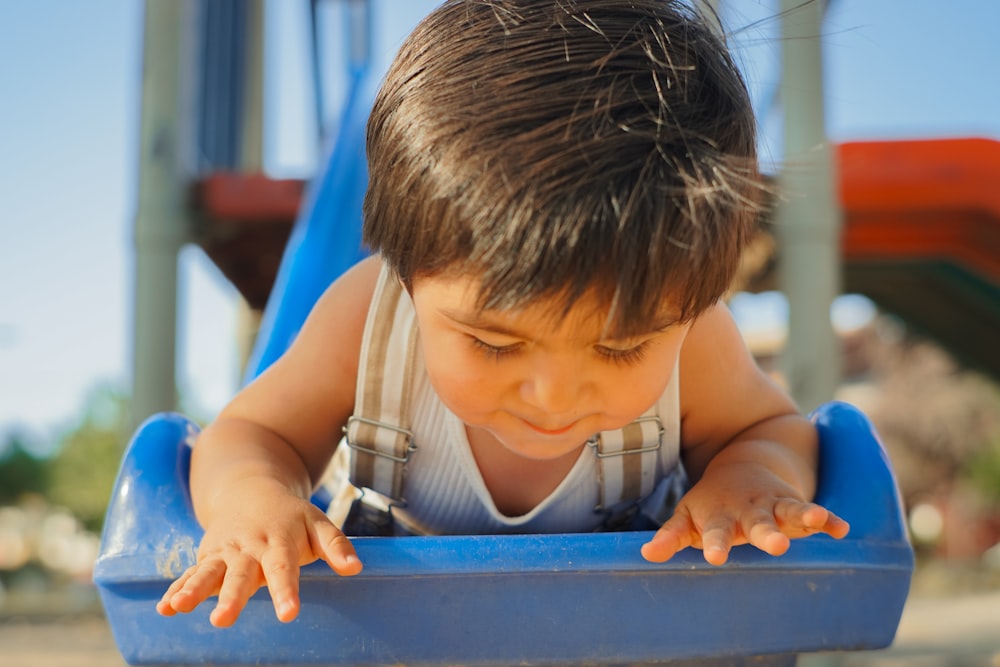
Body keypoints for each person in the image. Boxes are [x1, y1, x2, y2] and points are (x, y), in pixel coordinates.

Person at [157, 0, 849, 628]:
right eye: (494, 343)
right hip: (395, 637)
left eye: (619, 349)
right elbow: (249, 433)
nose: (553, 395)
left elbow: (772, 428)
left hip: (612, 635)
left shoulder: (693, 338)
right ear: (407, 272)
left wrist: (750, 477)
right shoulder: (368, 319)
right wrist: (252, 497)